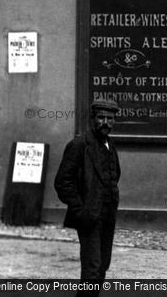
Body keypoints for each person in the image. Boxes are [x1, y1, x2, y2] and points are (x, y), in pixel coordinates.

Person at [54, 98, 121, 283]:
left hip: (108, 215)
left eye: (110, 118)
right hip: (89, 216)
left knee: (102, 267)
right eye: (101, 118)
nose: (106, 122)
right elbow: (63, 182)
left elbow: (115, 175)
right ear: (93, 119)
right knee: (92, 269)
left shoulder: (110, 145)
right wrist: (80, 209)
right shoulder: (79, 145)